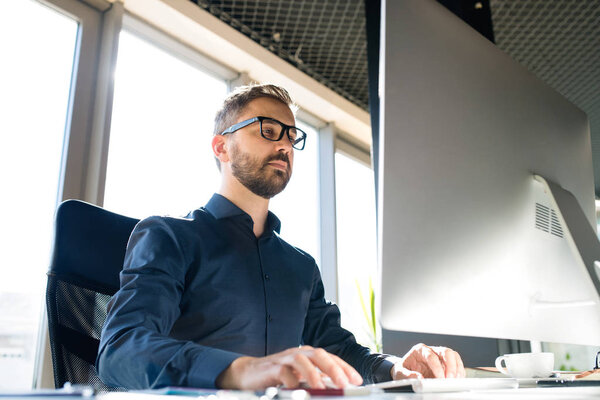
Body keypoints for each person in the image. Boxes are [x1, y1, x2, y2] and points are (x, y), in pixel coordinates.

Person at [96, 84, 465, 390]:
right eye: (268, 130)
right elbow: (121, 349)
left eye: (291, 135)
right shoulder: (169, 236)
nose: (285, 145)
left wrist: (397, 367)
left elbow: (339, 348)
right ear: (221, 147)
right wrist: (245, 370)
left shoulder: (301, 267)